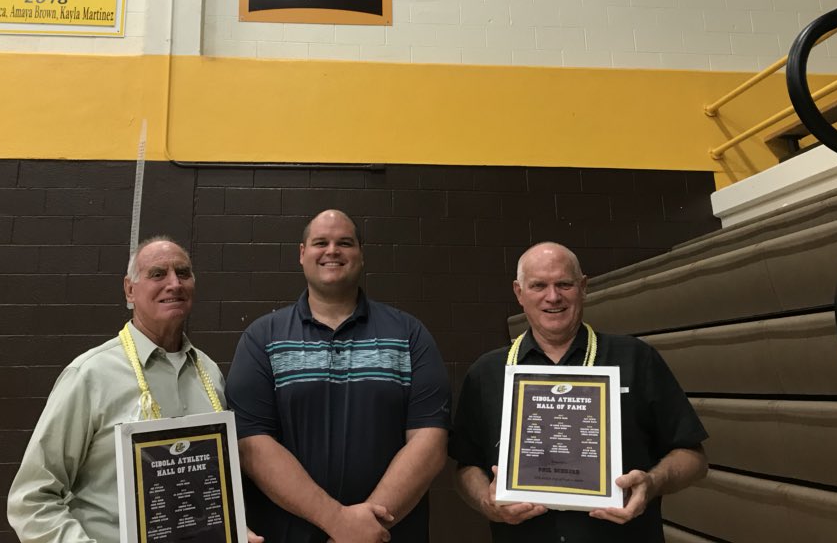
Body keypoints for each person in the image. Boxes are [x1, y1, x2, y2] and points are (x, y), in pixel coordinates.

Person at [8, 236, 261, 543]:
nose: (174, 284)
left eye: (183, 273)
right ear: (130, 289)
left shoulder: (208, 373)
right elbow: (31, 499)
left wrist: (231, 529)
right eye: (158, 274)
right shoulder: (90, 375)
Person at [450, 242, 707, 543]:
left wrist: (651, 483)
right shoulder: (487, 373)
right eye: (538, 286)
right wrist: (485, 500)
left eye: (564, 284)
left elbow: (694, 458)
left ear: (583, 287)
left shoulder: (636, 358)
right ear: (519, 293)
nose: (553, 296)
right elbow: (466, 465)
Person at [225, 209, 452, 543]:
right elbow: (253, 444)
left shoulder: (408, 334)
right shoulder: (263, 338)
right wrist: (338, 522)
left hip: (388, 533)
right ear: (302, 254)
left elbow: (429, 442)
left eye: (344, 243)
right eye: (321, 242)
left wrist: (365, 526)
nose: (332, 251)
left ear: (360, 255)